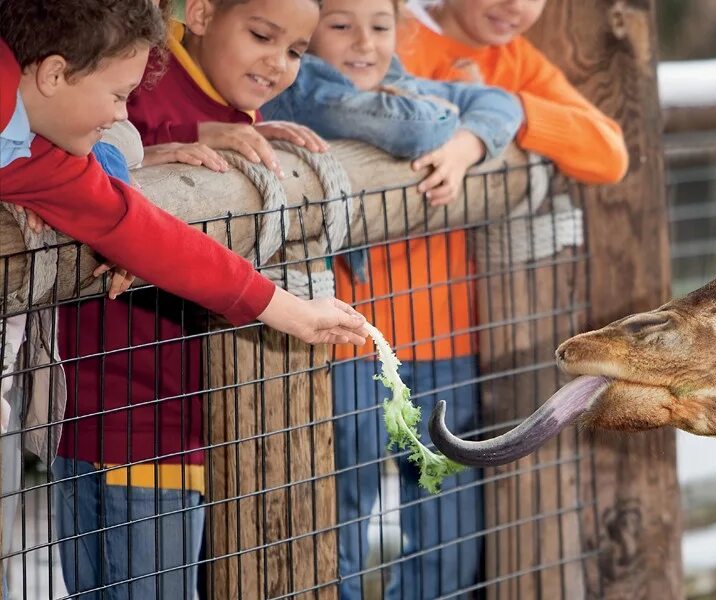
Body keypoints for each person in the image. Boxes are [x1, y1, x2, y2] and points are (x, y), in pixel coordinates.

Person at [0, 1, 367, 597]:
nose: (125, 116)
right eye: (120, 97)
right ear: (53, 74)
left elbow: (148, 235)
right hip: (120, 418)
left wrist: (294, 313)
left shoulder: (51, 165)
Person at [262, 0, 523, 596]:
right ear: (307, 34)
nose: (364, 43)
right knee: (339, 510)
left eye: (380, 27)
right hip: (346, 343)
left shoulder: (402, 84)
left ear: (400, 28)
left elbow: (503, 102)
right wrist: (444, 122)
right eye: (340, 25)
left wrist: (465, 148)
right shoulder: (300, 90)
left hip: (436, 334)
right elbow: (413, 127)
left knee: (444, 508)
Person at [398, 0, 629, 186]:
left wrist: (502, 109)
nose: (516, 5)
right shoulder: (386, 34)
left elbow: (610, 156)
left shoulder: (517, 59)